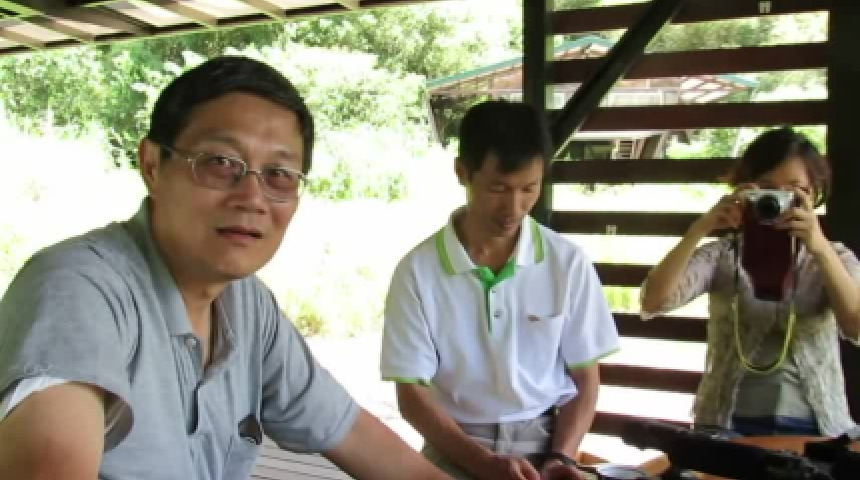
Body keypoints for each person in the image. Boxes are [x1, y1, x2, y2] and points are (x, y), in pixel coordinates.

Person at [0, 56, 452, 480]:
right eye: (220, 163)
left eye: (278, 175)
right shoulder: (77, 291)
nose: (252, 198)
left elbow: (355, 435)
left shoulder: (246, 304)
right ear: (152, 165)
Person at [380, 99, 620, 480]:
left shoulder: (567, 263)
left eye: (529, 189)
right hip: (454, 447)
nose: (514, 207)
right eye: (498, 188)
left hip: (547, 444)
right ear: (462, 172)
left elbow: (586, 379)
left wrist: (563, 458)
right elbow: (411, 397)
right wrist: (483, 463)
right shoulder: (418, 272)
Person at [641, 127, 860, 438]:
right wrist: (699, 229)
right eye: (767, 189)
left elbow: (856, 326)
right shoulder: (722, 255)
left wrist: (820, 248)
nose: (779, 201)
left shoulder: (833, 257)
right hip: (726, 423)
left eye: (795, 190)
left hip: (814, 422)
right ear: (745, 191)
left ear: (813, 195)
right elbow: (653, 301)